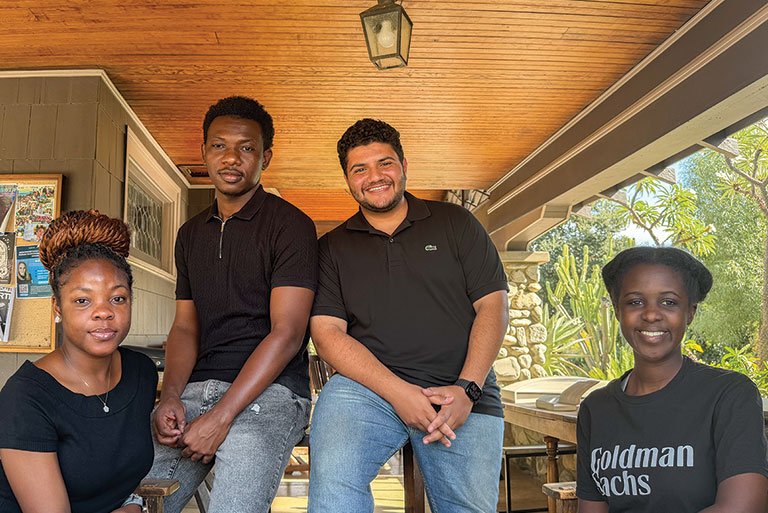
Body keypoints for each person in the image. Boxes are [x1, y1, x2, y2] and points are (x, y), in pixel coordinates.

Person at [308, 118, 510, 512]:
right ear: (348, 180)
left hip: (458, 389)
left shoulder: (456, 224)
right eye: (359, 168)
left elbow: (493, 305)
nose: (375, 176)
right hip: (366, 392)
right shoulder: (331, 247)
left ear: (403, 165)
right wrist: (399, 394)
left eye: (385, 163)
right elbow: (327, 332)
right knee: (333, 486)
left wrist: (468, 388)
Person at [147, 96, 318, 513]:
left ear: (265, 157)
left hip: (273, 392)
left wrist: (221, 416)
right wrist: (169, 396)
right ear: (204, 151)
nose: (230, 158)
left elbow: (288, 332)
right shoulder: (189, 234)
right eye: (219, 145)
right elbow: (186, 327)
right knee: (133, 498)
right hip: (197, 389)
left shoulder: (291, 225)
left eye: (246, 147)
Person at [577, 247, 768, 513]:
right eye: (635, 301)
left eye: (668, 302)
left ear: (690, 312)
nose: (651, 314)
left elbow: (745, 506)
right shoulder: (595, 409)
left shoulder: (729, 395)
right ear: (618, 311)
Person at [0, 210, 158, 513]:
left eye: (118, 298)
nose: (104, 312)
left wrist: (134, 502)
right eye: (83, 300)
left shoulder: (142, 373)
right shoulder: (25, 398)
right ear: (57, 307)